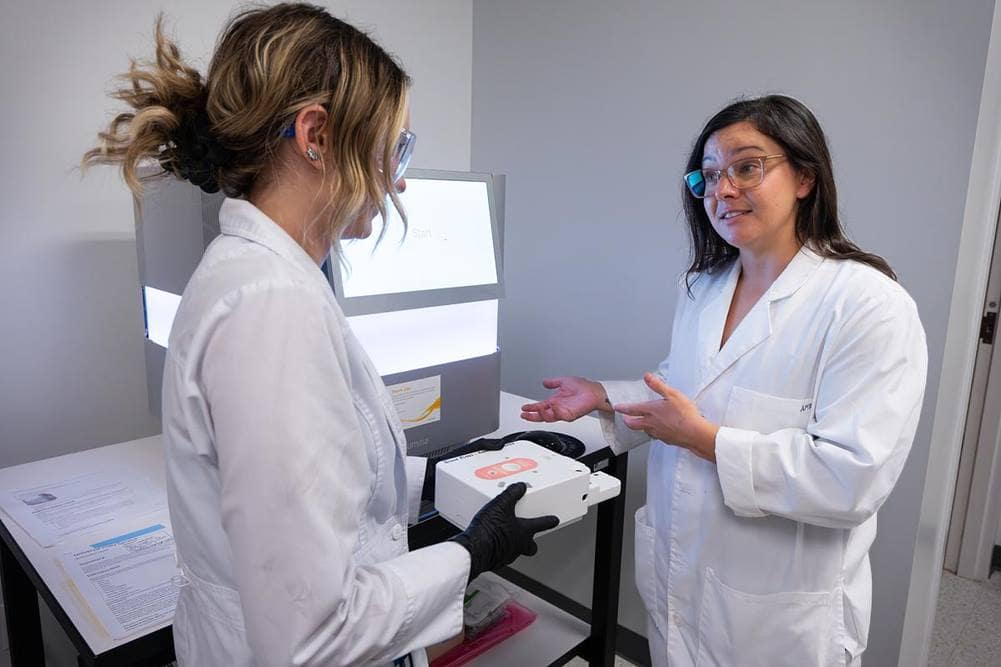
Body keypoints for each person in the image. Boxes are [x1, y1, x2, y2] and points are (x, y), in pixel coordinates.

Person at [83, 5, 556, 666]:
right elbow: (314, 634)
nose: (398, 178)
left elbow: (317, 470)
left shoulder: (274, 277)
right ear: (316, 135)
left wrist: (426, 475)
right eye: (397, 147)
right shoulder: (268, 307)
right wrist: (470, 552)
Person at [522, 95, 927, 667]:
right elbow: (683, 389)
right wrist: (604, 395)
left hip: (778, 621)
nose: (723, 189)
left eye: (746, 166)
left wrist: (703, 440)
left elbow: (851, 479)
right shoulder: (704, 287)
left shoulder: (868, 305)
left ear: (806, 176)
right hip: (682, 586)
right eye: (709, 175)